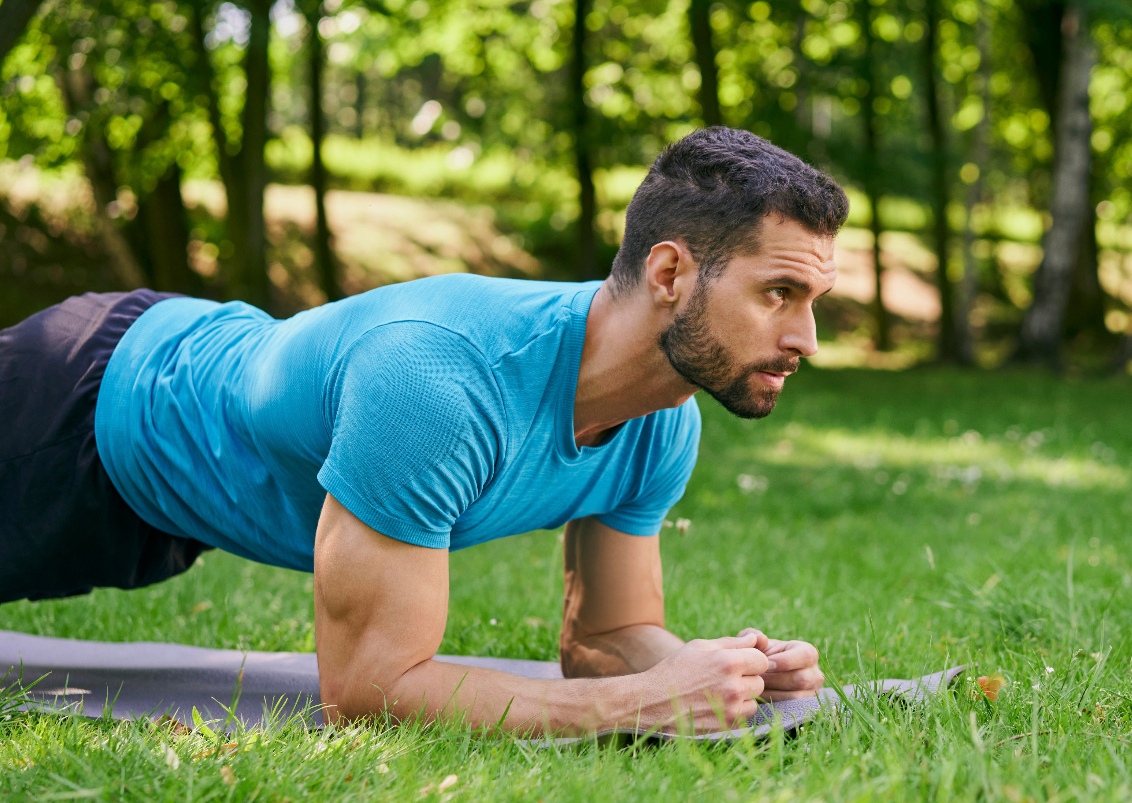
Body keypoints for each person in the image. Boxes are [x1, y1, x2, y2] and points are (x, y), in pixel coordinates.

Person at [0, 127, 847, 735]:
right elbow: (365, 690)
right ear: (670, 272)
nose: (807, 338)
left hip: (173, 497)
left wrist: (714, 673)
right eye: (779, 293)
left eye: (814, 302)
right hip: (79, 406)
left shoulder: (661, 422)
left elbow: (601, 637)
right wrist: (632, 707)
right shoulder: (437, 380)